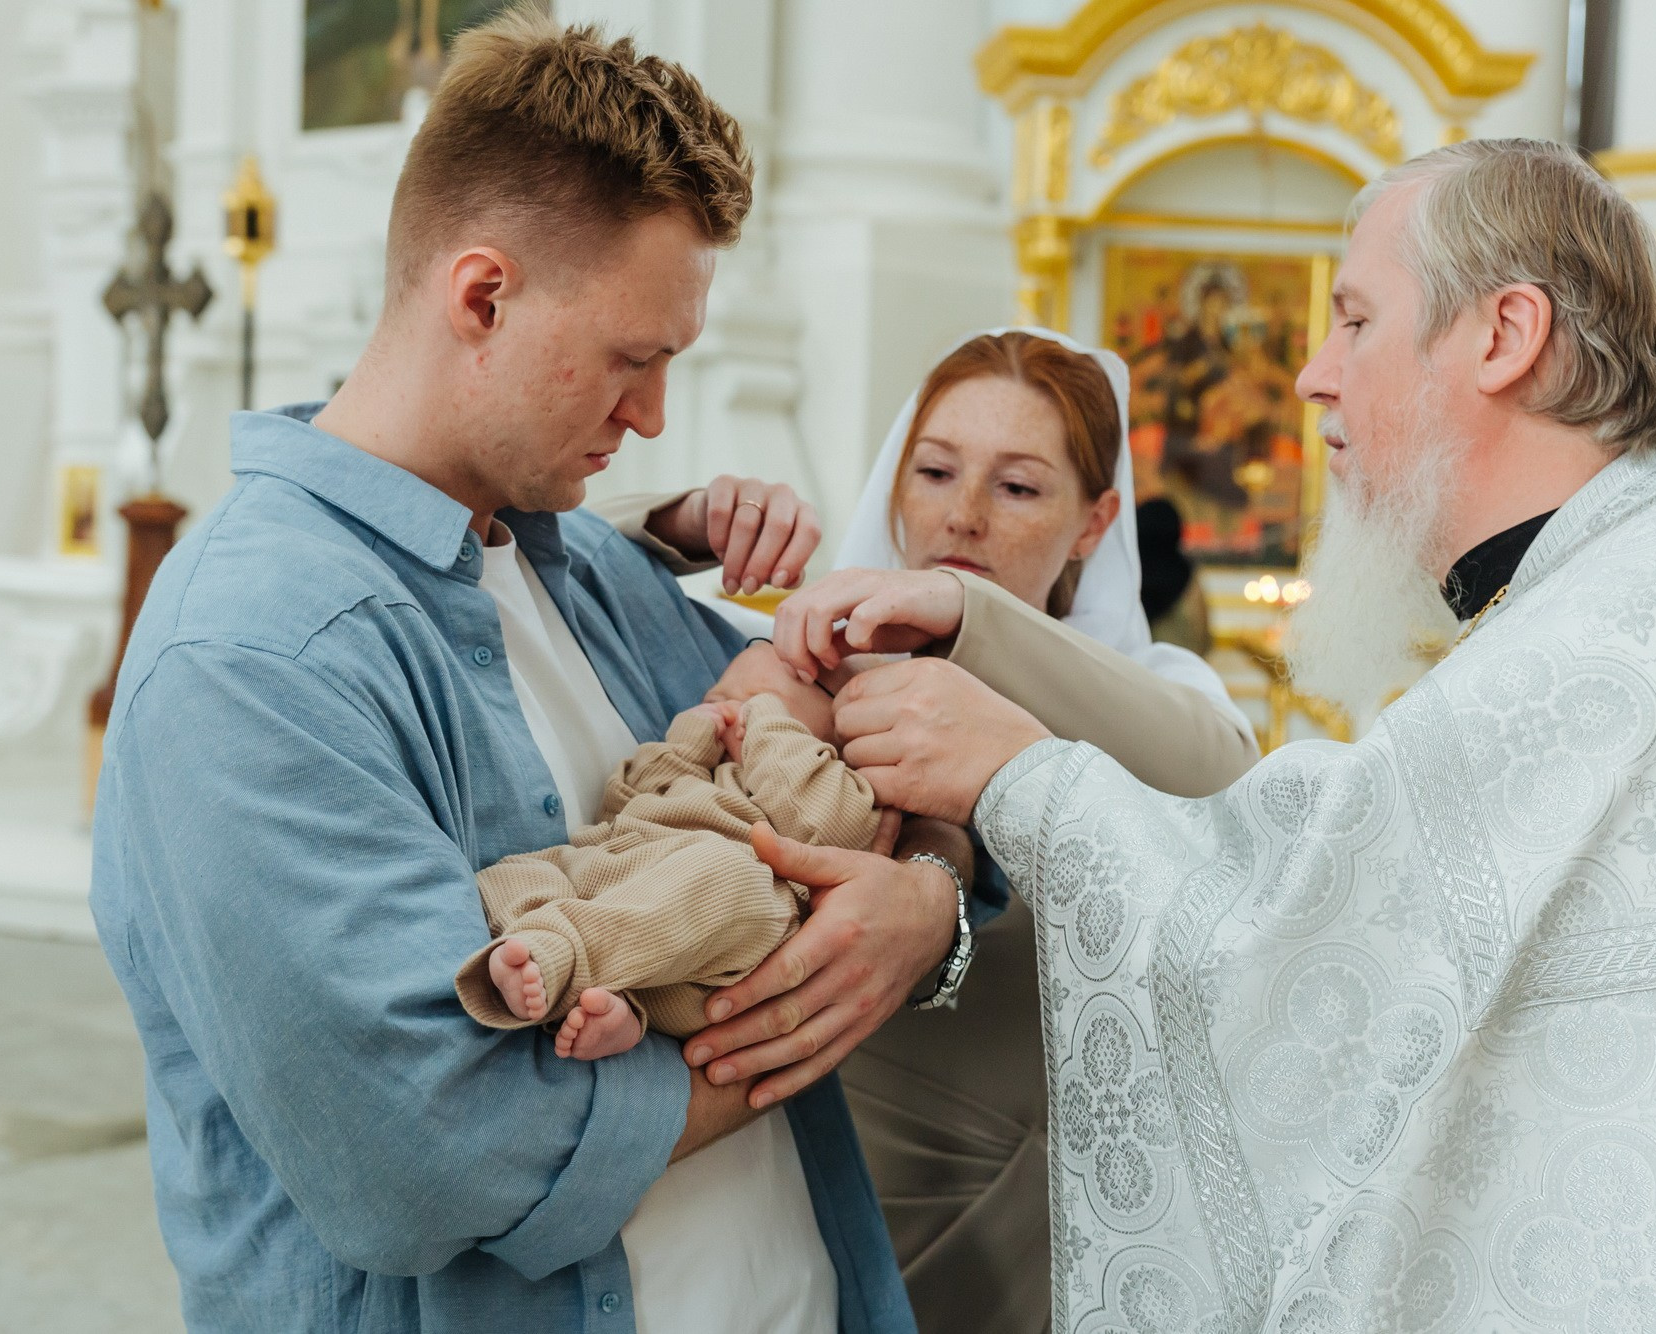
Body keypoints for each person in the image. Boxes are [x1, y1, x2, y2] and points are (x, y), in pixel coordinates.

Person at [810, 140, 1656, 1330]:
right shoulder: (1628, 602)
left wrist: (1015, 772)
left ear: (1503, 336)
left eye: (1352, 319)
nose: (1309, 375)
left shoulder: (1602, 641)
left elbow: (1296, 943)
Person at [90, 14, 956, 1333]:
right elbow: (433, 1153)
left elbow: (904, 759)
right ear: (482, 295)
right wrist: (825, 996)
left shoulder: (585, 565)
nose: (657, 415)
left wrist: (924, 907)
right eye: (634, 359)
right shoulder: (251, 658)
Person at [669, 328, 1261, 1333]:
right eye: (934, 470)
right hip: (794, 1215)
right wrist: (674, 519)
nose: (960, 513)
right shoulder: (799, 672)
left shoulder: (1153, 692)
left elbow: (1221, 775)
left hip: (1028, 1242)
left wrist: (967, 615)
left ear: (1093, 521)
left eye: (1018, 488)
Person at [456, 639, 880, 1057]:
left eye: (751, 703)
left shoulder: (837, 790)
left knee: (722, 875)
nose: (728, 711)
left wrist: (767, 723)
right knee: (524, 868)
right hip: (628, 889)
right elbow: (623, 803)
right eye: (718, 697)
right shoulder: (706, 776)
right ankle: (612, 1008)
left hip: (734, 927)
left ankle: (563, 951)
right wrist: (687, 744)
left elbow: (818, 821)